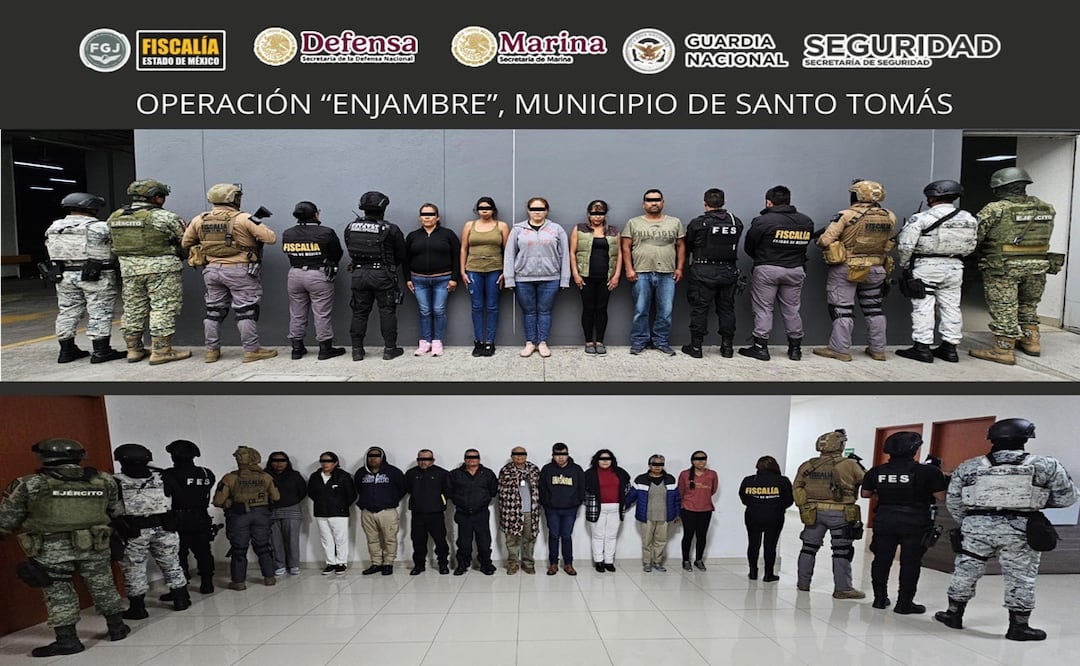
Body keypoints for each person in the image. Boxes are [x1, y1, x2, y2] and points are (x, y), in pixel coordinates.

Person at [935, 418, 1078, 641]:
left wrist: (971, 521)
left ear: (992, 439)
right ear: (1026, 438)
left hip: (976, 528)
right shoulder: (1045, 465)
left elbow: (954, 500)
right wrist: (1033, 502)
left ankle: (953, 614)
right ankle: (1019, 626)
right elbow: (1067, 497)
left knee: (966, 570)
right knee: (1021, 577)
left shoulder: (969, 466)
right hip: (1020, 529)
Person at [0, 438, 130, 657]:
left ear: (43, 456)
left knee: (58, 592)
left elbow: (6, 520)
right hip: (95, 542)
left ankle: (67, 640)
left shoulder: (30, 484)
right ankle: (117, 627)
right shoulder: (103, 480)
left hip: (52, 547)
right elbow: (116, 511)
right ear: (80, 456)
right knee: (104, 585)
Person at [969, 167, 1058, 365]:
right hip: (1037, 266)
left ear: (999, 188)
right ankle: (1031, 341)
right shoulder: (1046, 207)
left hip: (1004, 268)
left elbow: (976, 237)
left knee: (1005, 307)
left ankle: (1003, 350)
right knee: (1029, 304)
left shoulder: (995, 209)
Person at [182, 183, 279, 364]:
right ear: (234, 199)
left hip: (211, 270)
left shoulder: (200, 219)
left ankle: (211, 351)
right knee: (246, 311)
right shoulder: (244, 218)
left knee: (213, 311)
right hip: (240, 270)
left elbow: (186, 242)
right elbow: (270, 238)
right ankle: (251, 350)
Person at [106, 178, 191, 365]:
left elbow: (111, 244)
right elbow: (185, 243)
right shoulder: (166, 217)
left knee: (133, 309)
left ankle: (133, 350)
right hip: (163, 270)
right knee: (162, 308)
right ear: (157, 198)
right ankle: (161, 351)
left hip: (129, 271)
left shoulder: (115, 217)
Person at [860, 431, 947, 613]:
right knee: (910, 562)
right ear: (914, 449)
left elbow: (866, 494)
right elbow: (940, 496)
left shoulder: (876, 471)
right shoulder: (928, 471)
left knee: (881, 560)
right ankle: (904, 603)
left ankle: (879, 599)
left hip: (884, 519)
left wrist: (887, 493)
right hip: (915, 521)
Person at [813, 179, 898, 363]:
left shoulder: (846, 215)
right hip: (876, 268)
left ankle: (840, 349)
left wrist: (819, 240)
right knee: (874, 309)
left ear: (857, 195)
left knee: (842, 310)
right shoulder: (889, 216)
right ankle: (878, 350)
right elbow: (889, 242)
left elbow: (826, 241)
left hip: (848, 269)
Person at [894, 180, 979, 363]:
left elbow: (906, 245)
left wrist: (905, 264)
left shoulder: (922, 218)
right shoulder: (968, 218)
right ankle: (950, 349)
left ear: (932, 197)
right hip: (955, 266)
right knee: (951, 307)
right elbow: (971, 246)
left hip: (927, 267)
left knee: (923, 306)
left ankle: (922, 348)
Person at [109, 443, 190, 619]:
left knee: (134, 569)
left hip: (133, 531)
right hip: (164, 528)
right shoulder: (163, 477)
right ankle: (181, 599)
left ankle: (137, 608)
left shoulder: (114, 481)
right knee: (172, 564)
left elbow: (107, 508)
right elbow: (180, 499)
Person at [44, 192, 126, 364]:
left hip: (64, 274)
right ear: (91, 208)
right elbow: (118, 246)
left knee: (67, 311)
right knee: (99, 311)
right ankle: (101, 351)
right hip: (96, 274)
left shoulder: (54, 227)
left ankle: (66, 351)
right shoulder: (100, 227)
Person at [738, 185, 814, 362]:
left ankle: (760, 348)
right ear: (789, 201)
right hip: (796, 269)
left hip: (767, 268)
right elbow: (806, 242)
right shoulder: (806, 221)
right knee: (792, 310)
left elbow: (749, 245)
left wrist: (762, 258)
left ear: (768, 202)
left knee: (764, 309)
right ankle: (795, 349)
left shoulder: (763, 221)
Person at [792, 429, 867, 598]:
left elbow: (797, 487)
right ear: (839, 445)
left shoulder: (807, 465)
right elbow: (866, 481)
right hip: (841, 514)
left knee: (808, 549)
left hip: (813, 514)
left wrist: (804, 506)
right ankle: (843, 589)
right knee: (842, 550)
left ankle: (803, 583)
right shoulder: (850, 464)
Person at [343, 190, 408, 361]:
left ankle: (357, 350)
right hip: (382, 274)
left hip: (358, 274)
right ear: (383, 208)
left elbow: (349, 247)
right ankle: (389, 349)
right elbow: (401, 254)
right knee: (387, 311)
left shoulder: (350, 227)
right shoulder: (390, 228)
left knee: (359, 312)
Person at [503, 196, 571, 358]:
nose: (537, 212)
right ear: (528, 211)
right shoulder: (518, 229)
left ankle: (542, 343)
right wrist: (509, 278)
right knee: (529, 312)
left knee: (545, 311)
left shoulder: (556, 229)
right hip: (523, 279)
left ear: (546, 211)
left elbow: (565, 255)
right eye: (534, 209)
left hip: (550, 278)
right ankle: (530, 342)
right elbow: (509, 255)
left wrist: (564, 278)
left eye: (541, 209)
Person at [622, 189, 686, 356]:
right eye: (650, 200)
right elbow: (626, 247)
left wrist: (679, 268)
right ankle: (639, 341)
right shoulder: (633, 223)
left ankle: (661, 341)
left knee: (666, 310)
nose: (654, 203)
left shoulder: (675, 222)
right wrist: (629, 268)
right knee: (641, 309)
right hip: (641, 272)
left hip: (667, 273)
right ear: (644, 204)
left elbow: (681, 246)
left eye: (657, 200)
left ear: (663, 203)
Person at [681, 188, 743, 359]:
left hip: (703, 271)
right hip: (728, 271)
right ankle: (727, 347)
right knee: (727, 310)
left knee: (700, 309)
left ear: (705, 203)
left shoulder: (698, 223)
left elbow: (689, 244)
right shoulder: (735, 221)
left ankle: (696, 347)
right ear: (723, 202)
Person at [281, 200, 346, 360]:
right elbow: (337, 253)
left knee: (296, 312)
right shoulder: (325, 232)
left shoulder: (288, 233)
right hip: (318, 274)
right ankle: (325, 349)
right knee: (322, 313)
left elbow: (287, 252)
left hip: (295, 274)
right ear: (316, 214)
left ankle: (296, 348)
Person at [212, 446, 280, 590]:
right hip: (262, 515)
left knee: (239, 549)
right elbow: (276, 496)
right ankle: (269, 577)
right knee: (263, 547)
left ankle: (239, 582)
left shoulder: (230, 478)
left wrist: (228, 502)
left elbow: (218, 501)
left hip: (239, 516)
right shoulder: (266, 477)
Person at [161, 439, 216, 595]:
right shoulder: (206, 473)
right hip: (201, 517)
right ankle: (207, 584)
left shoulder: (168, 474)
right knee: (204, 552)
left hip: (178, 519)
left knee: (178, 555)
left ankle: (180, 589)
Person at [405, 203, 461, 357]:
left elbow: (457, 257)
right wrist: (408, 279)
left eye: (431, 214)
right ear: (420, 217)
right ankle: (425, 342)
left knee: (438, 310)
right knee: (424, 311)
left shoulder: (448, 234)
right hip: (418, 280)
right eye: (424, 214)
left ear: (438, 217)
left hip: (442, 279)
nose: (427, 217)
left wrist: (454, 279)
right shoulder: (412, 236)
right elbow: (406, 260)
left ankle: (437, 342)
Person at [570, 199, 622, 354]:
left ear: (605, 214)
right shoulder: (579, 229)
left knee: (602, 309)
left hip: (606, 277)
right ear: (589, 214)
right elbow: (572, 253)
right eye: (594, 213)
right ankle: (588, 342)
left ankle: (599, 341)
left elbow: (619, 254)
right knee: (588, 308)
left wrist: (617, 275)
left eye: (600, 213)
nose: (597, 217)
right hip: (585, 276)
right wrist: (575, 274)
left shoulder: (613, 231)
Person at [460, 196, 510, 357]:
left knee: (492, 307)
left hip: (495, 270)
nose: (484, 210)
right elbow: (463, 249)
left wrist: (506, 272)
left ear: (493, 210)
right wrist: (462, 271)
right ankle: (478, 342)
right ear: (477, 210)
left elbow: (508, 251)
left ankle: (489, 342)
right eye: (481, 208)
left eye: (487, 207)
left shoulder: (501, 225)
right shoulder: (469, 225)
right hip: (473, 270)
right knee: (476, 307)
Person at [739, 455, 794, 581]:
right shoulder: (782, 481)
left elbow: (743, 497)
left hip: (753, 515)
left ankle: (753, 572)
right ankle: (769, 574)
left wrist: (755, 504)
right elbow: (789, 500)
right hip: (774, 516)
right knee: (770, 545)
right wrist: (778, 506)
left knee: (753, 544)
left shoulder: (749, 480)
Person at [354, 445, 405, 575]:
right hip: (367, 512)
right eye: (371, 456)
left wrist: (391, 500)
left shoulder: (393, 472)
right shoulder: (361, 473)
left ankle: (388, 563)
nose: (373, 459)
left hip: (387, 511)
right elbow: (358, 488)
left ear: (382, 458)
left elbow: (402, 488)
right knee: (372, 539)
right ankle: (376, 563)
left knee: (390, 539)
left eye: (376, 456)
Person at [447, 448, 498, 575]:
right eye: (468, 457)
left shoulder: (487, 473)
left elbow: (493, 491)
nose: (471, 459)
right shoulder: (455, 474)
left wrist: (482, 501)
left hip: (481, 513)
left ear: (479, 459)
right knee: (464, 542)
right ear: (464, 459)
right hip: (463, 513)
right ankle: (462, 564)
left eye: (474, 457)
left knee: (484, 541)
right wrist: (459, 502)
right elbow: (449, 491)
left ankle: (486, 564)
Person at [626, 454, 680, 572]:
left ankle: (657, 562)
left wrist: (677, 514)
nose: (657, 467)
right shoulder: (641, 479)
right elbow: (632, 495)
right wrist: (623, 505)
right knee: (647, 541)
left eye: (660, 464)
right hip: (646, 516)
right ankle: (647, 563)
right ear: (649, 465)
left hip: (665, 516)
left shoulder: (670, 479)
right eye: (654, 464)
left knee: (661, 541)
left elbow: (677, 498)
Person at [306, 451, 356, 575]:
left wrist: (340, 506)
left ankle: (341, 562)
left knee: (340, 539)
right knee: (326, 539)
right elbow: (311, 493)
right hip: (321, 512)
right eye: (323, 461)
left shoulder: (343, 476)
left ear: (335, 463)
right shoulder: (315, 476)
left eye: (328, 461)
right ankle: (330, 563)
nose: (325, 464)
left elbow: (351, 495)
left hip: (339, 513)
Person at [539, 442, 585, 575]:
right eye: (557, 455)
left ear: (568, 454)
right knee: (553, 535)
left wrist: (577, 501)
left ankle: (568, 564)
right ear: (553, 455)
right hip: (552, 509)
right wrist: (546, 502)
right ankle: (553, 564)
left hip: (570, 509)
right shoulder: (547, 469)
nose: (561, 457)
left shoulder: (576, 469)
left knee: (566, 535)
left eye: (563, 454)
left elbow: (581, 488)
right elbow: (542, 488)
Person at [404, 449, 451, 575]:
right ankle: (419, 565)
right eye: (420, 459)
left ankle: (443, 565)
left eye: (427, 459)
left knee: (440, 541)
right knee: (418, 541)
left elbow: (448, 491)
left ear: (433, 460)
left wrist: (440, 502)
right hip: (417, 513)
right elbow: (408, 489)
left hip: (436, 513)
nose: (423, 462)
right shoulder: (411, 474)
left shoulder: (442, 474)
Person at [583, 448, 631, 572]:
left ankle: (609, 561)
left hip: (616, 508)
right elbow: (583, 490)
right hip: (597, 508)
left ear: (612, 460)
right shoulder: (589, 473)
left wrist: (623, 500)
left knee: (611, 536)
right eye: (602, 459)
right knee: (598, 536)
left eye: (607, 459)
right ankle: (599, 561)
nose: (605, 461)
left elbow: (627, 487)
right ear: (597, 460)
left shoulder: (620, 472)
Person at [497, 445, 541, 575]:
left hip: (530, 511)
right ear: (512, 456)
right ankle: (513, 563)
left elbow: (541, 489)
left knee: (529, 538)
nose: (519, 456)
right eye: (516, 454)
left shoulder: (534, 470)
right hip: (511, 512)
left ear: (526, 455)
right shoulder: (505, 470)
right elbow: (500, 492)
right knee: (512, 540)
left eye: (522, 454)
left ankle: (528, 564)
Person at [265, 451, 307, 576]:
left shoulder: (295, 475)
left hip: (292, 510)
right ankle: (279, 565)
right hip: (271, 511)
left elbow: (302, 492)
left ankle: (293, 565)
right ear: (270, 462)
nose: (279, 463)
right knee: (275, 541)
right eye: (275, 460)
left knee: (292, 540)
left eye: (282, 460)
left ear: (287, 462)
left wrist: (290, 501)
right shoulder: (265, 476)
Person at [677, 450, 719, 571]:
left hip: (705, 509)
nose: (700, 461)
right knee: (688, 535)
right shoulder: (684, 474)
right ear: (692, 461)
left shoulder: (712, 474)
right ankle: (686, 560)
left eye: (703, 458)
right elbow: (680, 492)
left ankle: (699, 560)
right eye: (697, 458)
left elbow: (713, 490)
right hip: (688, 509)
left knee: (702, 536)